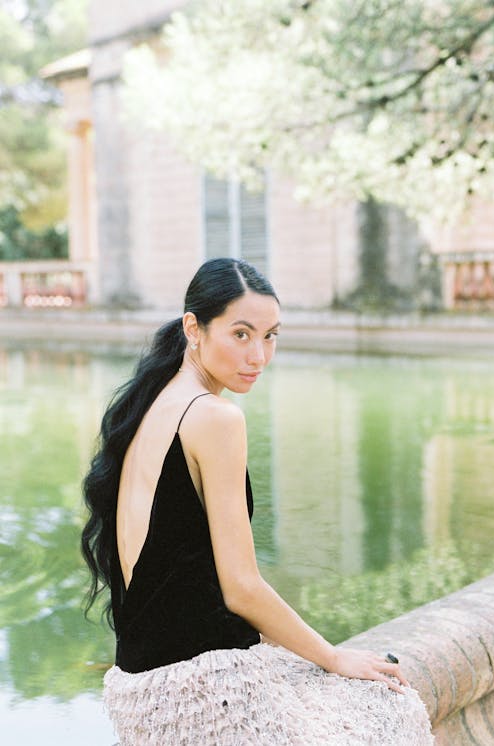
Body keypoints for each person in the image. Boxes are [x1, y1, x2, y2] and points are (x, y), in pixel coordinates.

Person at [81, 258, 433, 745]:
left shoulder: (155, 398)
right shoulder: (215, 417)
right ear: (194, 329)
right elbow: (241, 588)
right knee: (390, 707)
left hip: (141, 687)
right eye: (241, 334)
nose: (259, 356)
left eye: (271, 336)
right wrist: (332, 655)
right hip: (201, 691)